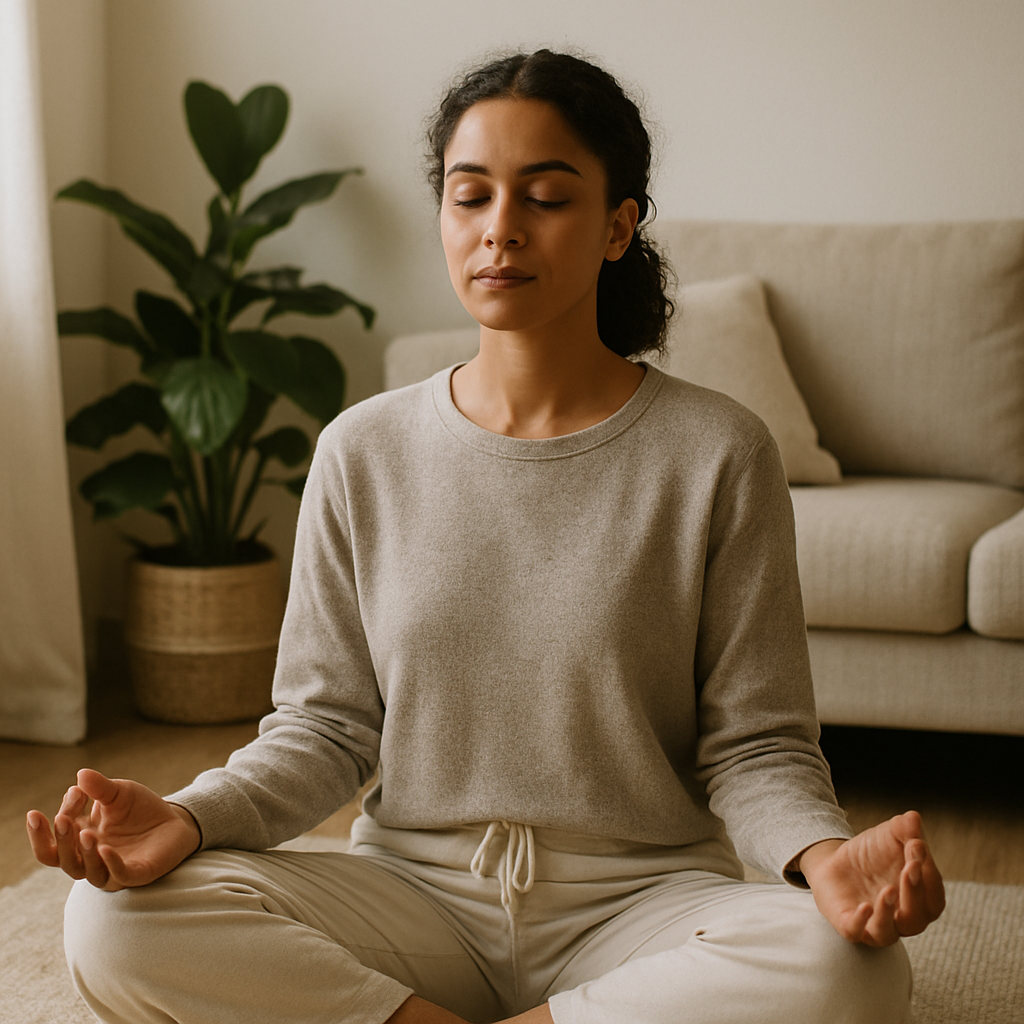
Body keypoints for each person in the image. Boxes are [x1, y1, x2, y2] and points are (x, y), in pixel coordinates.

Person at [27, 49, 944, 1024]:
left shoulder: (717, 451)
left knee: (849, 970)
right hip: (414, 902)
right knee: (112, 920)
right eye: (470, 197)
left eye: (546, 197)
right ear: (444, 217)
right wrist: (188, 816)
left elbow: (755, 744)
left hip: (643, 902)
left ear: (616, 226)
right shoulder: (361, 450)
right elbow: (323, 730)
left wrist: (820, 858)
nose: (499, 230)